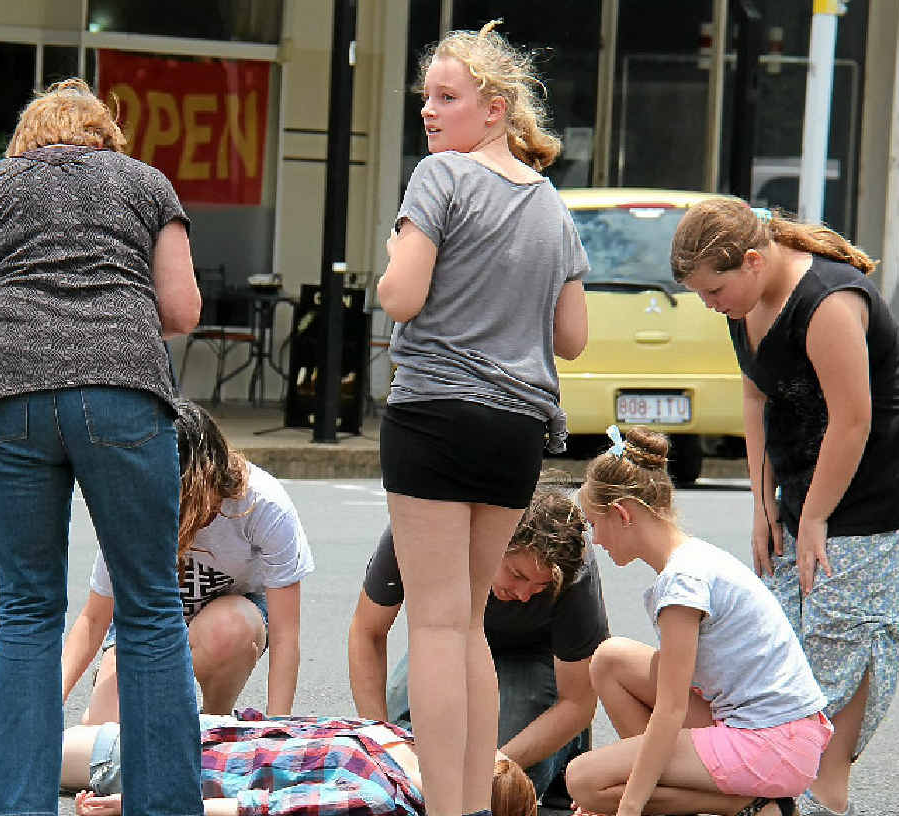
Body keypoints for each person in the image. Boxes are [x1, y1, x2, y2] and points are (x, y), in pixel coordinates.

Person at [0, 78, 203, 816]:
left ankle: (22, 806)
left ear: (27, 137)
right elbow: (182, 309)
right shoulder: (145, 185)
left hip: (10, 396)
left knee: (27, 612)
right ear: (105, 136)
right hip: (123, 392)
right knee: (151, 606)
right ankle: (164, 807)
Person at [669, 200, 899, 816]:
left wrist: (815, 519)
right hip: (812, 472)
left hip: (893, 478)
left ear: (753, 259)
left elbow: (854, 421)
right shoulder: (742, 301)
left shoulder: (827, 301)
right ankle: (780, 776)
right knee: (780, 624)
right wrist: (764, 506)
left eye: (714, 290)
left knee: (844, 624)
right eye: (700, 295)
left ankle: (824, 789)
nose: (710, 304)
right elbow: (756, 400)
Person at [376, 20, 589, 816]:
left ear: (494, 108)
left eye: (446, 96)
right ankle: (469, 807)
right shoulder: (550, 204)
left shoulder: (440, 178)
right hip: (517, 429)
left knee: (432, 626)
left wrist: (397, 246)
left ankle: (446, 809)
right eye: (426, 97)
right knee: (468, 624)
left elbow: (402, 296)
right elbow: (572, 337)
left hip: (434, 410)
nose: (428, 111)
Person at [564, 426, 833, 816]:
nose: (597, 541)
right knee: (610, 659)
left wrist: (626, 803)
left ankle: (754, 806)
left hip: (772, 744)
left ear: (622, 513)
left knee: (584, 781)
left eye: (595, 524)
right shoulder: (692, 560)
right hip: (780, 731)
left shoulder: (681, 584)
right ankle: (684, 793)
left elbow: (671, 709)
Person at [0, 652, 536, 816]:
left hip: (174, 760)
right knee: (0, 754)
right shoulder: (397, 768)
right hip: (192, 742)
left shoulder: (390, 775)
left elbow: (263, 806)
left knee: (1, 760)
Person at [62, 398, 314, 721]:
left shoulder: (265, 506)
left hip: (225, 623)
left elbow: (285, 634)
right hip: (146, 621)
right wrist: (52, 701)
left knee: (231, 628)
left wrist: (278, 730)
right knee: (107, 734)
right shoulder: (136, 507)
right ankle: (153, 717)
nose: (179, 520)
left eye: (188, 504)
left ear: (213, 476)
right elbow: (94, 619)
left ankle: (212, 723)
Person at [349, 489, 609, 800]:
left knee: (498, 785)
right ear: (495, 541)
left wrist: (496, 765)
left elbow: (578, 702)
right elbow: (366, 632)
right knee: (411, 752)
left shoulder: (573, 575)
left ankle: (567, 750)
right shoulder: (417, 530)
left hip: (533, 654)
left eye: (540, 587)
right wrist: (382, 743)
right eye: (517, 575)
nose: (525, 595)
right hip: (446, 638)